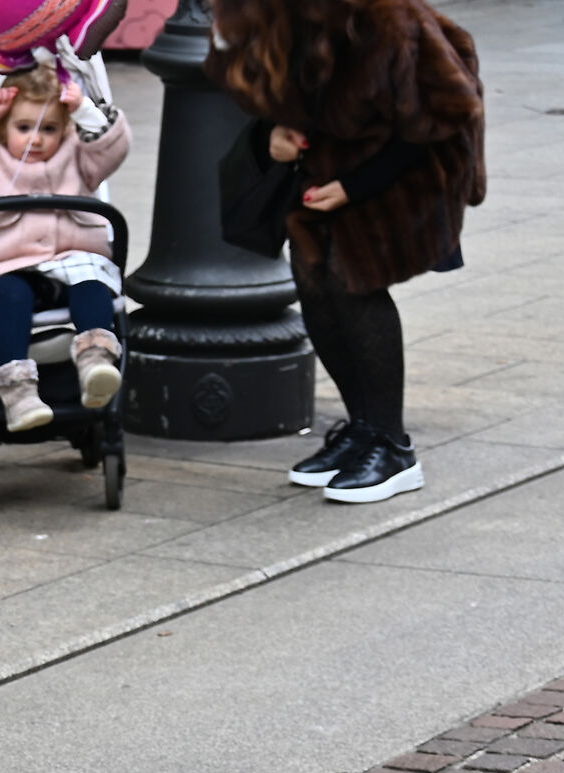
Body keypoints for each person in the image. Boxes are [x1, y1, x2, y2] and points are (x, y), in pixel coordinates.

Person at [207, 0, 484, 504]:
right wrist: (277, 131)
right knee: (314, 280)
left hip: (407, 166)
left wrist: (357, 186)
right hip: (329, 166)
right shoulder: (272, 18)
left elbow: (450, 109)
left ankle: (393, 447)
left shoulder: (386, 17)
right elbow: (257, 87)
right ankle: (362, 429)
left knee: (353, 279)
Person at [0, 61, 131, 431]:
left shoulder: (79, 156)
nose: (36, 139)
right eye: (23, 128)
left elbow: (112, 149)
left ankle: (95, 361)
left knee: (94, 286)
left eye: (50, 129)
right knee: (12, 299)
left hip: (71, 255)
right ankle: (17, 390)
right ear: (3, 128)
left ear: (67, 129)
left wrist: (85, 110)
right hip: (3, 263)